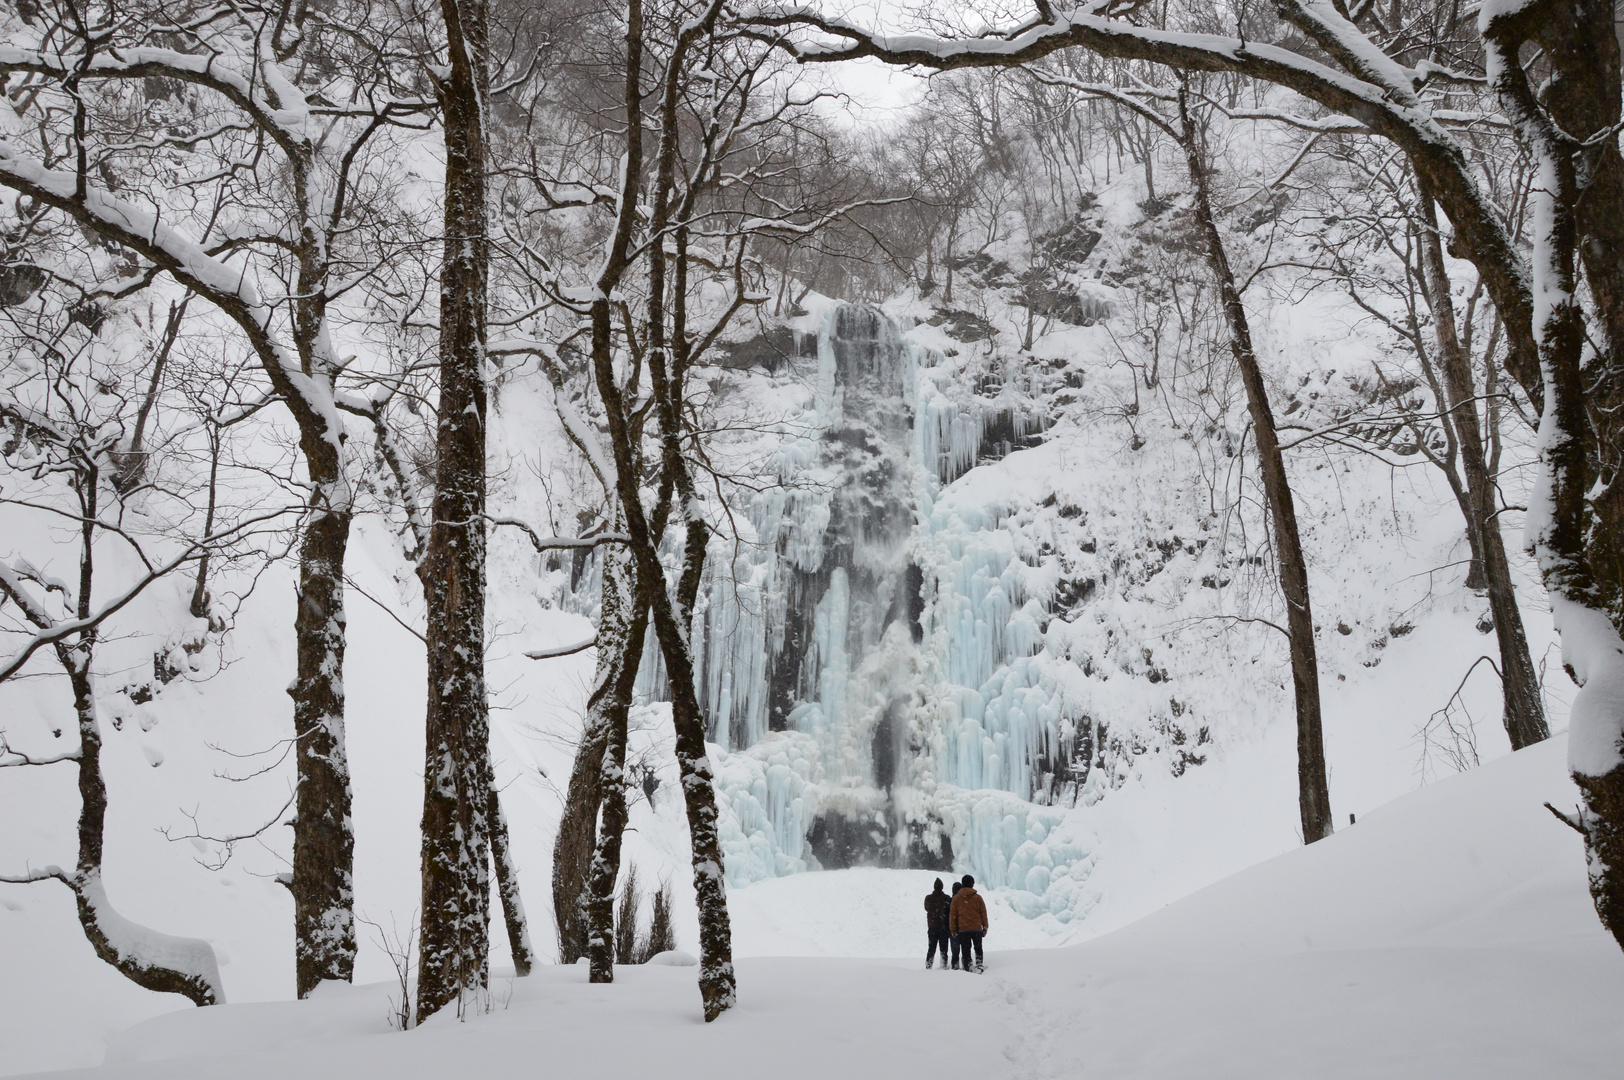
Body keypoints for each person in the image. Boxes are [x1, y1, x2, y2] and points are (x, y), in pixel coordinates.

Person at [949, 873, 988, 973]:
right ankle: (979, 964)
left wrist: (953, 929)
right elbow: (983, 913)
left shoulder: (956, 898)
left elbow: (953, 915)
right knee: (978, 947)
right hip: (976, 928)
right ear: (972, 884)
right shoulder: (978, 898)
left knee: (966, 950)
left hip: (963, 929)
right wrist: (985, 927)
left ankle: (968, 966)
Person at [924, 878, 952, 969]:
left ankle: (929, 965)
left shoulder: (928, 898)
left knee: (931, 948)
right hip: (943, 927)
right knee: (944, 949)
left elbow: (927, 908)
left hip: (932, 927)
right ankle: (943, 965)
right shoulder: (946, 898)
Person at [948, 880, 965, 969]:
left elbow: (947, 915)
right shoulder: (964, 902)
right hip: (963, 928)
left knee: (955, 951)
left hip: (952, 929)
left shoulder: (949, 901)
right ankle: (966, 965)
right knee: (965, 950)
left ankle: (955, 966)